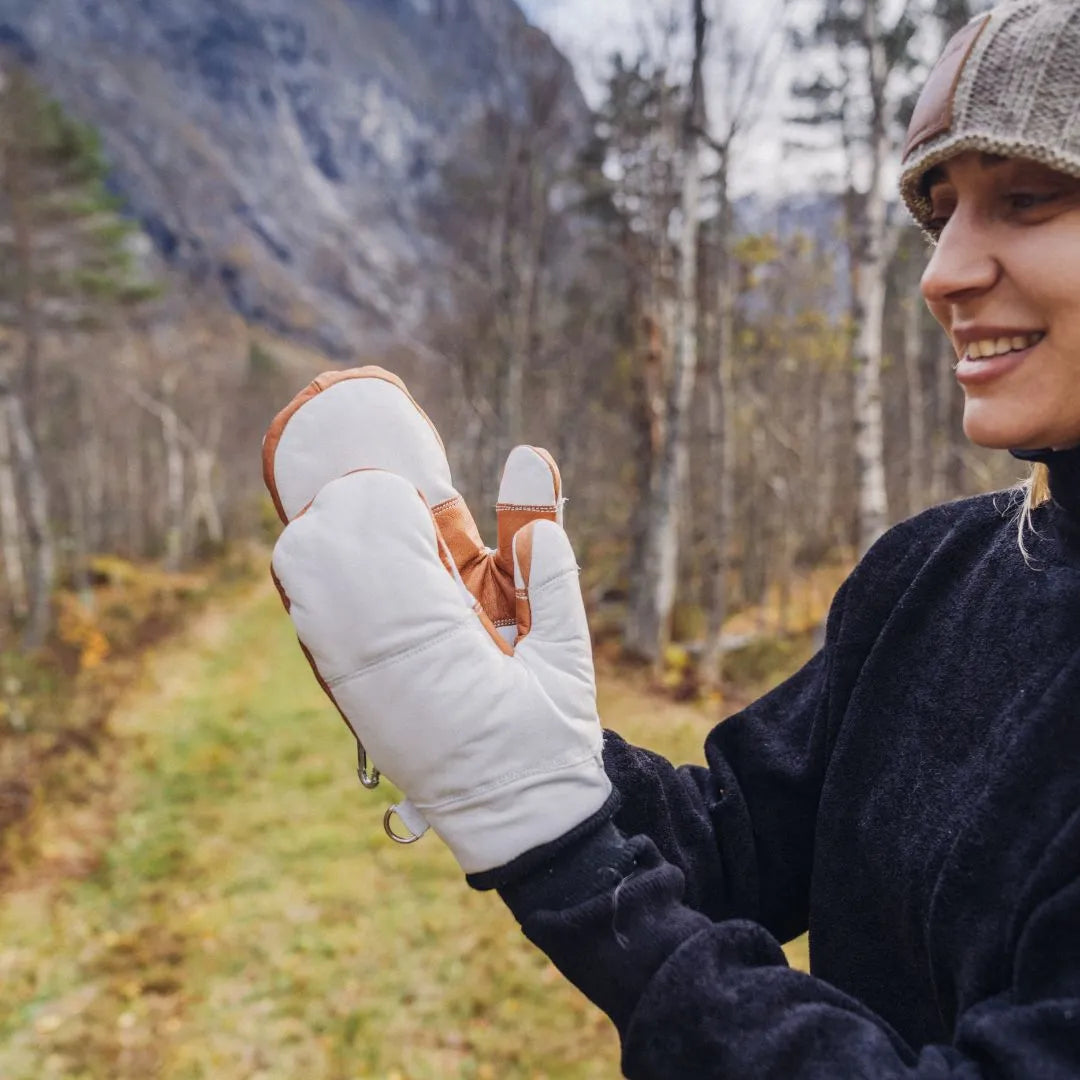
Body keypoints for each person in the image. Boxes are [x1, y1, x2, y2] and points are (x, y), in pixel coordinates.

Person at [267, 1, 1080, 1075]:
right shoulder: (930, 576)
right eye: (940, 215)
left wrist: (557, 848)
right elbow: (734, 844)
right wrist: (527, 743)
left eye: (1025, 201)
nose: (942, 274)